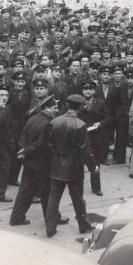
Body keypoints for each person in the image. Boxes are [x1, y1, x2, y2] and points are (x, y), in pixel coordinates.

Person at [45, 94, 97, 238]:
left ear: (68, 105)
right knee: (77, 198)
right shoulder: (80, 125)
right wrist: (93, 167)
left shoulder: (54, 121)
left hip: (56, 165)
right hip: (74, 167)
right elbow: (85, 150)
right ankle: (83, 224)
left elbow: (48, 143)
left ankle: (50, 227)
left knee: (54, 197)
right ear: (80, 107)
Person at [9, 95, 63, 226]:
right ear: (47, 108)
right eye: (54, 107)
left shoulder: (32, 119)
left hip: (29, 163)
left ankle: (16, 218)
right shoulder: (48, 123)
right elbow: (40, 144)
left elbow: (23, 136)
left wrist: (23, 150)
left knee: (25, 192)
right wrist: (25, 151)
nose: (57, 110)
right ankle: (52, 219)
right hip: (42, 164)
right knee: (47, 193)